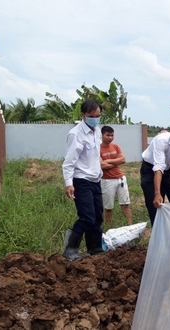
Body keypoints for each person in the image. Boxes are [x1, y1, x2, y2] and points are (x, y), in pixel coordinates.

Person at [61, 100, 106, 260]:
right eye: (92, 116)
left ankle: (95, 248)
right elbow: (69, 162)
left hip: (95, 180)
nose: (95, 119)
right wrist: (69, 184)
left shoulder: (97, 131)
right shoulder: (76, 134)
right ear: (83, 115)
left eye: (98, 116)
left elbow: (95, 157)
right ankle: (70, 250)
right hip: (81, 180)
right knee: (87, 216)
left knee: (98, 216)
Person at [100, 126, 133, 226]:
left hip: (121, 179)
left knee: (125, 205)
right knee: (108, 208)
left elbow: (123, 159)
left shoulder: (115, 146)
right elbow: (102, 165)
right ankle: (108, 228)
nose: (110, 137)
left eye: (112, 135)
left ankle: (130, 226)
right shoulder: (97, 149)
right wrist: (116, 162)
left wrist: (108, 161)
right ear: (102, 135)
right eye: (108, 135)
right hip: (107, 181)